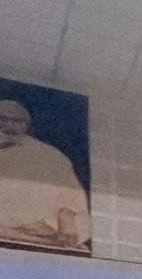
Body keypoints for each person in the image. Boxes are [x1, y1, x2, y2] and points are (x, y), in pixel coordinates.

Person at [0, 97, 90, 250]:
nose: (9, 126)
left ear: (26, 125)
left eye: (17, 121)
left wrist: (66, 213)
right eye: (2, 119)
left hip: (44, 230)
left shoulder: (50, 155)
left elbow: (72, 196)